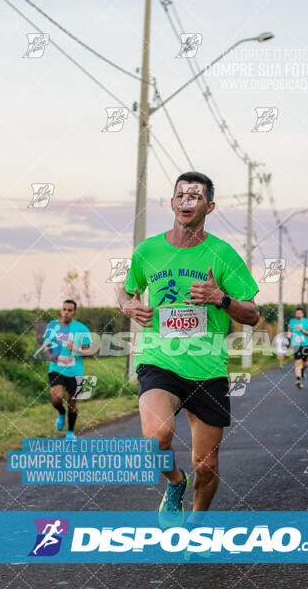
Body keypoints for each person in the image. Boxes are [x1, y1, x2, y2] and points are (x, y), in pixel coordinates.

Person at [118, 172, 259, 526]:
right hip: (158, 359)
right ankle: (175, 484)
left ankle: (195, 526)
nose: (186, 201)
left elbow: (253, 314)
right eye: (180, 195)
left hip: (207, 367)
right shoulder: (148, 251)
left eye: (195, 197)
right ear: (171, 203)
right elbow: (125, 290)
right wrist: (127, 306)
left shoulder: (223, 255)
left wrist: (220, 298)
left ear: (208, 207)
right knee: (156, 438)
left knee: (207, 465)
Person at [42, 300, 92, 440]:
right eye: (64, 309)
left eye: (70, 310)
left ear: (74, 312)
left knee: (72, 403)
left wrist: (76, 349)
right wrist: (50, 355)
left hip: (75, 371)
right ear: (61, 310)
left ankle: (70, 432)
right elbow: (46, 345)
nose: (66, 312)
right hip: (56, 368)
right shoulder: (52, 326)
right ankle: (61, 413)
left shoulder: (81, 329)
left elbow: (89, 350)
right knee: (56, 399)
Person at [287, 306, 308, 388]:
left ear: (302, 314)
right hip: (296, 345)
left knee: (305, 363)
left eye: (299, 313)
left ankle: (302, 370)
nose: (298, 314)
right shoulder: (292, 321)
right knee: (297, 362)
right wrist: (288, 339)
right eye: (297, 313)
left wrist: (302, 330)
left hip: (306, 344)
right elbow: (289, 331)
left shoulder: (307, 322)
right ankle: (298, 379)